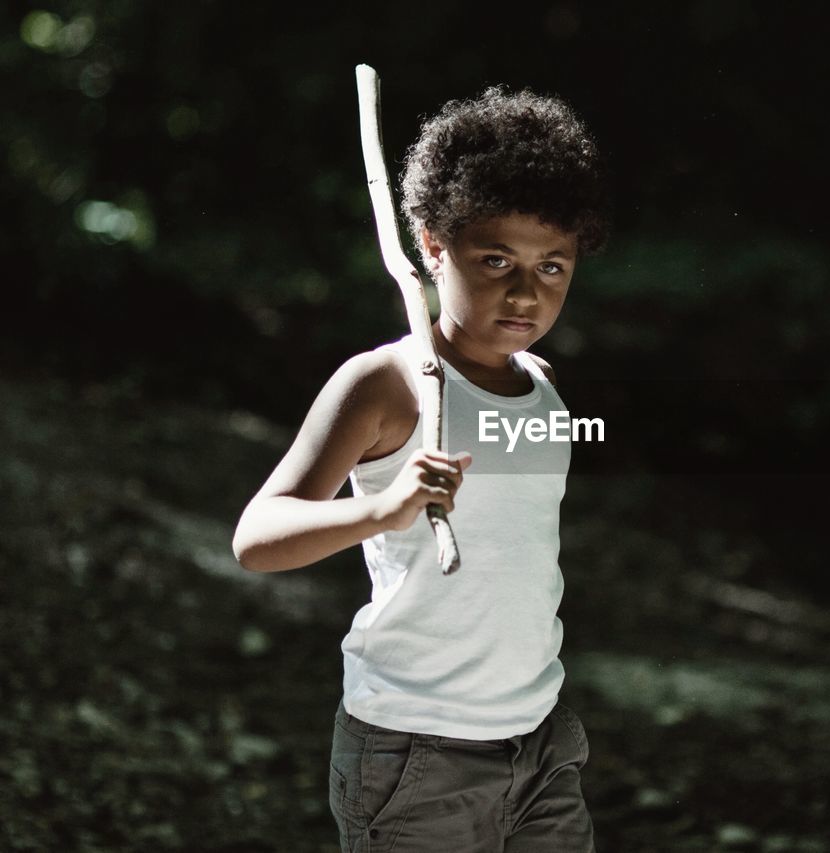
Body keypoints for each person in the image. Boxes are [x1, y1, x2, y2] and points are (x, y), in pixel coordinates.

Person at [232, 83, 611, 852]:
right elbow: (257, 537)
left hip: (538, 739)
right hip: (416, 751)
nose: (524, 291)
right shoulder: (387, 385)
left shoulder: (546, 389)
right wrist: (384, 508)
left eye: (552, 267)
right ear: (433, 246)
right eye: (496, 259)